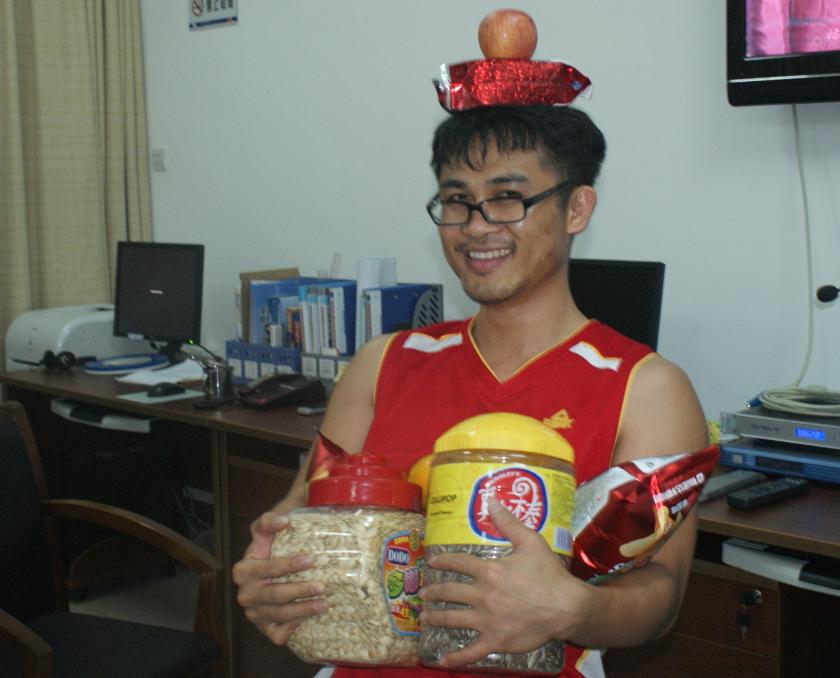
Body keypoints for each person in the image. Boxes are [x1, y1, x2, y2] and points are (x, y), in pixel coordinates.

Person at [232, 104, 709, 678]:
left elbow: (662, 592)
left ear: (576, 208)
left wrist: (576, 608)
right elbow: (303, 507)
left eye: (507, 197)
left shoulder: (645, 387)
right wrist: (273, 566)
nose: (476, 226)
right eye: (456, 200)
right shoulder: (383, 363)